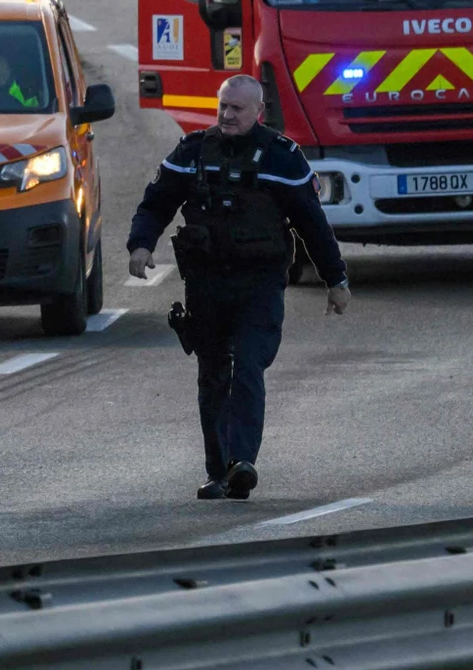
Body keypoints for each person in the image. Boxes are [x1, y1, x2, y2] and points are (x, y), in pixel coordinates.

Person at [124, 74, 349, 500]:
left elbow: (312, 224)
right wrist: (140, 245)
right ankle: (218, 471)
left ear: (258, 112)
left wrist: (335, 279)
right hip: (207, 284)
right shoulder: (192, 152)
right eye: (223, 106)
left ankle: (242, 461)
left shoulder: (283, 159)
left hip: (259, 284)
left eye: (237, 109)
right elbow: (156, 203)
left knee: (248, 367)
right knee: (212, 378)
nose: (227, 115)